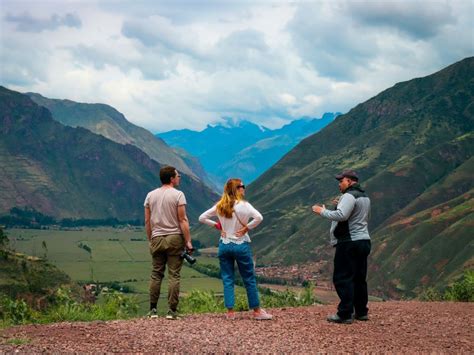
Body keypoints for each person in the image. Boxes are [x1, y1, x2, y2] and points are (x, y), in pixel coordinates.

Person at [199, 178, 272, 320]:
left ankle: (230, 312)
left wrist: (217, 225)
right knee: (248, 278)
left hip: (224, 245)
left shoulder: (220, 205)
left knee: (227, 278)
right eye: (242, 186)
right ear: (237, 189)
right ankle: (257, 311)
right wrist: (246, 228)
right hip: (241, 245)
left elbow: (202, 217)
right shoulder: (245, 205)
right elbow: (259, 217)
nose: (244, 188)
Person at [312, 169, 371, 324]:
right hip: (364, 240)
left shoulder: (349, 196)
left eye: (341, 181)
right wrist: (340, 206)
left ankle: (344, 313)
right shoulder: (364, 197)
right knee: (359, 278)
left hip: (349, 242)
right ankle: (361, 311)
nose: (339, 184)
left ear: (350, 182)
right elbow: (357, 215)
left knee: (343, 277)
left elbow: (341, 216)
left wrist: (322, 211)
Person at [144, 166, 193, 320]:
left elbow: (147, 221)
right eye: (178, 176)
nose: (179, 178)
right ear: (171, 178)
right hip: (174, 238)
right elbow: (182, 220)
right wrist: (188, 242)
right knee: (174, 275)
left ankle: (153, 310)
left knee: (156, 274)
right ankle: (172, 311)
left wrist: (150, 239)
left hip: (157, 238)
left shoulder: (150, 196)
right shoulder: (178, 195)